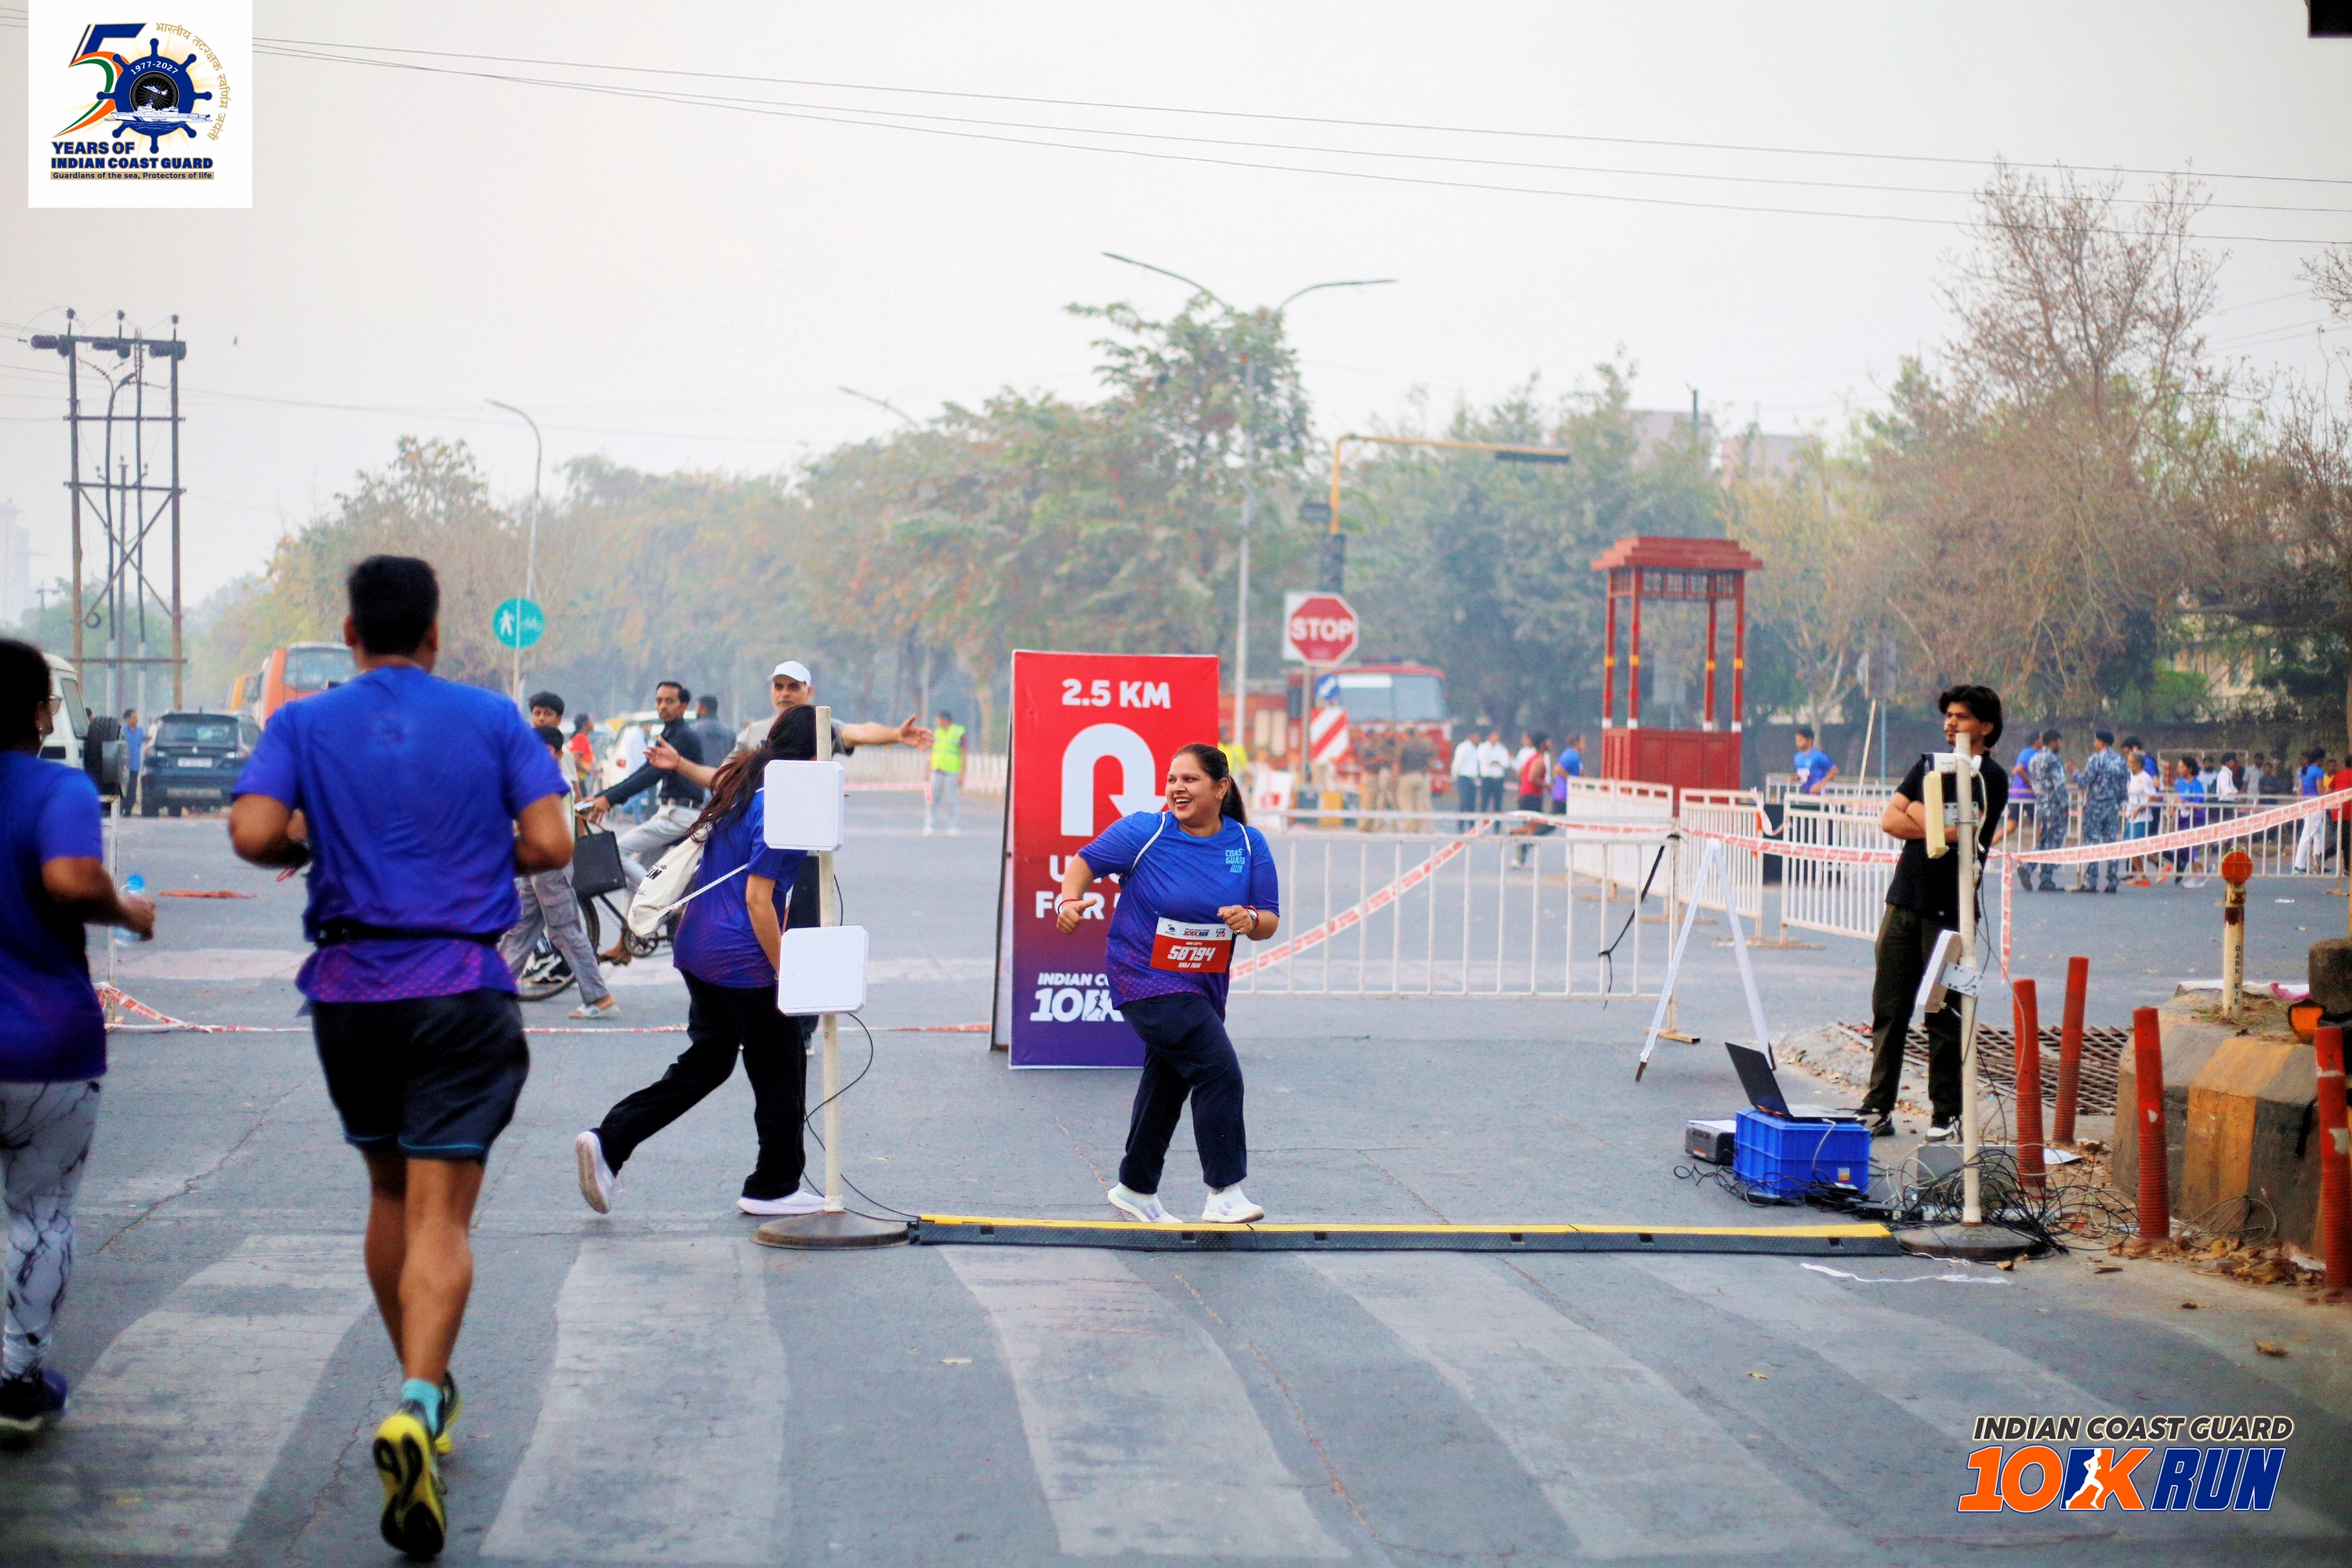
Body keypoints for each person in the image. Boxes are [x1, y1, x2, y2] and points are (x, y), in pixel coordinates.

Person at [228, 556, 572, 1559]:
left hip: (351, 991)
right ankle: (420, 1399)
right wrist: (472, 851)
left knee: (388, 1193)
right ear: (434, 633)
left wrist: (318, 843)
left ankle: (425, 1390)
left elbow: (253, 830)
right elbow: (552, 843)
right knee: (442, 1211)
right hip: (460, 986)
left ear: (349, 632)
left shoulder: (302, 722)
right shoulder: (492, 717)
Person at [0, 640, 155, 1439]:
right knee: (40, 1216)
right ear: (41, 713)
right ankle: (17, 1383)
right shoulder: (58, 786)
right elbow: (68, 878)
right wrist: (128, 911)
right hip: (45, 1049)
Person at [575, 707, 816, 1220]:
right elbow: (758, 899)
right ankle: (773, 1186)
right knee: (781, 1066)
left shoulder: (742, 783)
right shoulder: (784, 807)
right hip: (742, 956)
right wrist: (786, 973)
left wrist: (680, 763)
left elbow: (713, 776)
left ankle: (610, 1141)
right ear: (814, 758)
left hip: (697, 943)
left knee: (708, 1062)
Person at [1055, 743, 1279, 1225]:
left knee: (1168, 1082)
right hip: (1144, 977)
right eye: (1173, 779)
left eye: (1190, 779)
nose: (1177, 788)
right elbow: (1084, 862)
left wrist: (1249, 919)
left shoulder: (1248, 843)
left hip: (1203, 986)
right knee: (1219, 1072)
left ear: (1220, 788)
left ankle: (1136, 1187)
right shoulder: (1145, 831)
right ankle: (1225, 1192)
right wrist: (1068, 902)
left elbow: (1269, 920)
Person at [1858, 684, 2008, 1142]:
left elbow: (1966, 832)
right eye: (1948, 715)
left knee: (1945, 1015)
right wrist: (1937, 825)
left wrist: (1919, 811)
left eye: (1961, 716)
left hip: (1953, 913)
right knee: (1889, 1008)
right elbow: (1889, 820)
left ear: (1986, 727)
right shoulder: (1928, 764)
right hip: (1903, 901)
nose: (1951, 723)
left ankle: (1946, 1114)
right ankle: (1877, 1106)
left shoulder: (1989, 777)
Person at [499, 724, 615, 1018]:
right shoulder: (547, 778)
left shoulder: (548, 780)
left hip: (550, 865)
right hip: (538, 865)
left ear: (559, 754)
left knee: (564, 929)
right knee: (522, 927)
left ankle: (598, 995)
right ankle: (495, 992)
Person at [583, 682, 707, 953]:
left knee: (619, 851)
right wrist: (603, 796)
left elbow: (651, 776)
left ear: (683, 706)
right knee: (636, 873)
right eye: (659, 701)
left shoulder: (684, 737)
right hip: (670, 813)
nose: (663, 706)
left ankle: (666, 904)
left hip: (681, 815)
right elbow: (642, 772)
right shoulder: (669, 734)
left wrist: (609, 799)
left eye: (669, 701)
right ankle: (626, 944)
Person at [2075, 730, 2129, 893]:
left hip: (2095, 806)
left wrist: (2075, 774)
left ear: (2102, 742)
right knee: (2111, 843)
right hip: (2112, 806)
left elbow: (2085, 781)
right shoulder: (2120, 761)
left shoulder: (2096, 760)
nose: (2095, 744)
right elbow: (2123, 787)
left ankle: (2091, 881)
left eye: (2096, 741)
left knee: (2092, 843)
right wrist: (2118, 803)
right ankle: (2112, 881)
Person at [2027, 730, 2070, 891]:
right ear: (2053, 742)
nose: (2059, 745)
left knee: (2044, 841)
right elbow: (2059, 785)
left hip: (2041, 805)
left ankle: (2040, 874)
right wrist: (2065, 806)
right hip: (2054, 807)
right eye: (2058, 742)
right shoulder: (2053, 759)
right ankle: (2036, 871)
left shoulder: (2034, 759)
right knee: (2053, 842)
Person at [926, 707, 966, 837]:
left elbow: (963, 754)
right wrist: (927, 770)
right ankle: (930, 825)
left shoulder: (959, 732)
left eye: (938, 719)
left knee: (952, 800)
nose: (936, 721)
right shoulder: (936, 733)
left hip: (952, 772)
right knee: (932, 799)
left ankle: (953, 826)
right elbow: (932, 752)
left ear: (944, 720)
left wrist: (962, 774)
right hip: (937, 771)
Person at [2123, 738, 2159, 880]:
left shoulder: (2145, 778)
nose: (2128, 764)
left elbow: (2153, 798)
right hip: (2131, 817)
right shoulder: (2131, 776)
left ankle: (2156, 865)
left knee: (2136, 847)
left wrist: (2140, 809)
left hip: (2142, 818)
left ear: (2138, 763)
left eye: (2131, 762)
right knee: (2130, 847)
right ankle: (2144, 874)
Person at [1393, 728, 1434, 830]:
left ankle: (1408, 828)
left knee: (1407, 805)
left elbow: (1398, 762)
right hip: (1420, 776)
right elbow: (1432, 758)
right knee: (1421, 805)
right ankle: (1423, 828)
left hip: (1406, 776)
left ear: (1406, 734)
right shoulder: (1423, 744)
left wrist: (1394, 779)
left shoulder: (1403, 745)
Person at [1476, 725, 1512, 815]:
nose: (1496, 738)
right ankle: (1482, 822)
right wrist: (1497, 761)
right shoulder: (1483, 747)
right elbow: (1485, 761)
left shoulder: (1502, 748)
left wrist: (1494, 761)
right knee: (1484, 802)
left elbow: (1506, 763)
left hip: (1498, 779)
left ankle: (1497, 823)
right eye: (1494, 735)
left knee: (1498, 803)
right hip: (1487, 779)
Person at [1450, 728, 1481, 829]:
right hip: (1464, 778)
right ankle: (1460, 825)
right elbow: (1458, 762)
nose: (1478, 738)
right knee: (1464, 802)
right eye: (1476, 736)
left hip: (1473, 778)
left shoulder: (1474, 748)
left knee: (1472, 803)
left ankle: (1471, 825)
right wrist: (1454, 775)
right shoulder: (1463, 747)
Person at [1791, 726, 1837, 793]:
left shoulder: (1818, 756)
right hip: (1805, 794)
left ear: (1809, 741)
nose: (1798, 743)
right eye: (1797, 741)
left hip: (1820, 795)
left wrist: (1820, 786)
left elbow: (1834, 770)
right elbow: (1804, 775)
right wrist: (1795, 778)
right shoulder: (1797, 757)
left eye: (1800, 740)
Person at [119, 708, 143, 815]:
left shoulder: (140, 731)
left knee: (132, 788)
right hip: (124, 765)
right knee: (123, 788)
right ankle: (120, 808)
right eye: (134, 718)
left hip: (135, 764)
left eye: (136, 717)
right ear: (127, 719)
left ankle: (129, 810)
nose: (136, 719)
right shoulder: (122, 731)